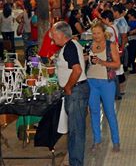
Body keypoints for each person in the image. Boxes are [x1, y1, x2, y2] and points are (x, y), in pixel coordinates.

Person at [51, 21, 89, 166]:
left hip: (76, 92)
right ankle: (74, 161)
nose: (52, 38)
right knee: (74, 130)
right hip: (77, 91)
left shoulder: (69, 48)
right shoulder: (72, 44)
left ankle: (76, 163)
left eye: (54, 34)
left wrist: (68, 87)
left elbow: (77, 70)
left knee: (76, 131)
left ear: (61, 34)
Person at [86, 22, 121, 152]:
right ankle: (96, 141)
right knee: (94, 112)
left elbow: (117, 64)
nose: (96, 36)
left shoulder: (110, 45)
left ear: (104, 33)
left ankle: (116, 141)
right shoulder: (89, 46)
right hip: (91, 82)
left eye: (98, 33)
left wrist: (101, 62)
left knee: (109, 112)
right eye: (93, 33)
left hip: (107, 82)